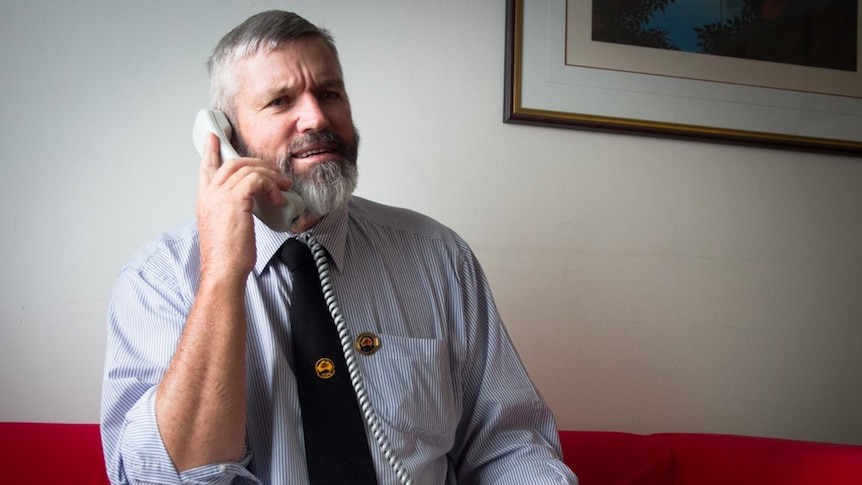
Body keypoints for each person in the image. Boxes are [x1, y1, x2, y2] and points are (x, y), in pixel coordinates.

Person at [100, 10, 577, 485]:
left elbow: (510, 444)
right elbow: (159, 479)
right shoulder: (158, 280)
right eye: (281, 101)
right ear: (225, 136)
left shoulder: (439, 257)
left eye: (329, 94)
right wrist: (223, 273)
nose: (317, 116)